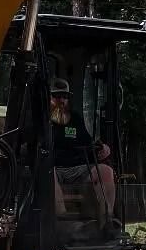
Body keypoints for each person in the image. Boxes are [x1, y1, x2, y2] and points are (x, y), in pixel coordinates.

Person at [48, 77, 116, 224]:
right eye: (57, 96)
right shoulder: (43, 120)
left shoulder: (76, 119)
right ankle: (63, 222)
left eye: (65, 96)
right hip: (53, 168)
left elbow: (88, 143)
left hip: (77, 168)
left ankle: (107, 220)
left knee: (106, 171)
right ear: (49, 97)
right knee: (47, 172)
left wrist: (101, 148)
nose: (61, 100)